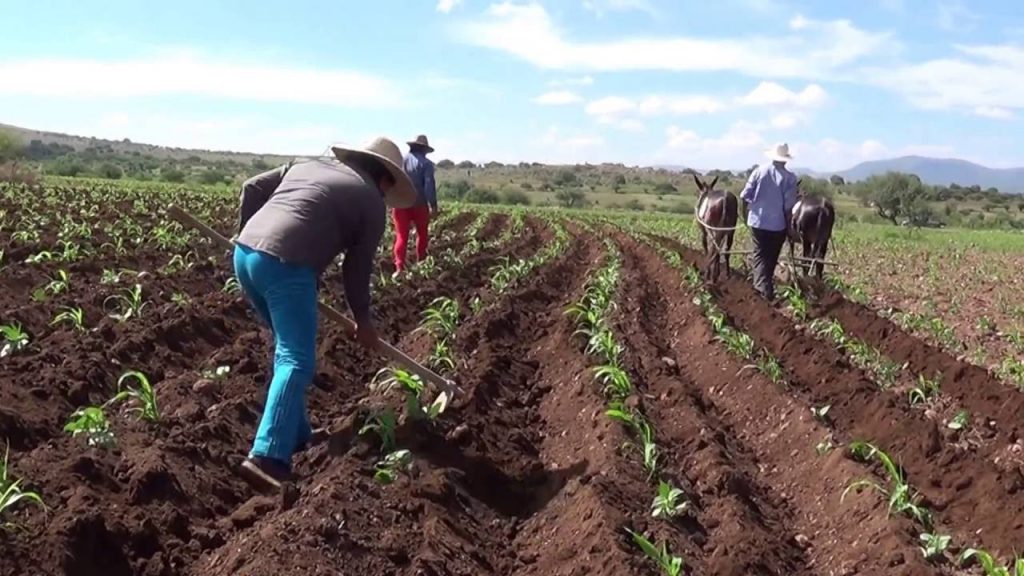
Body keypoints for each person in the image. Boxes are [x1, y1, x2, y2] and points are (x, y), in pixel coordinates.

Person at [232, 136, 417, 490]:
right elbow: (357, 270)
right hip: (287, 266)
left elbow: (251, 186)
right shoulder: (371, 201)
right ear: (386, 179)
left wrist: (246, 234)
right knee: (296, 360)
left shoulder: (307, 164)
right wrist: (363, 320)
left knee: (287, 350)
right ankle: (267, 456)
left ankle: (297, 432)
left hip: (244, 257)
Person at [740, 143, 799, 302]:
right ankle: (765, 290)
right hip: (777, 225)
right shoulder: (790, 178)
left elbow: (745, 196)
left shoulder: (759, 171)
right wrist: (789, 229)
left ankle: (762, 290)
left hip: (757, 222)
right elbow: (788, 208)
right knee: (771, 258)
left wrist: (746, 217)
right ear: (786, 160)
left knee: (759, 255)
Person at [392, 134, 438, 277]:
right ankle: (421, 263)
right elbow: (428, 186)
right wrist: (433, 205)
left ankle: (399, 268)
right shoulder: (426, 164)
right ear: (424, 149)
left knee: (401, 236)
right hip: (419, 204)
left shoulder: (400, 162)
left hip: (400, 203)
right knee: (422, 234)